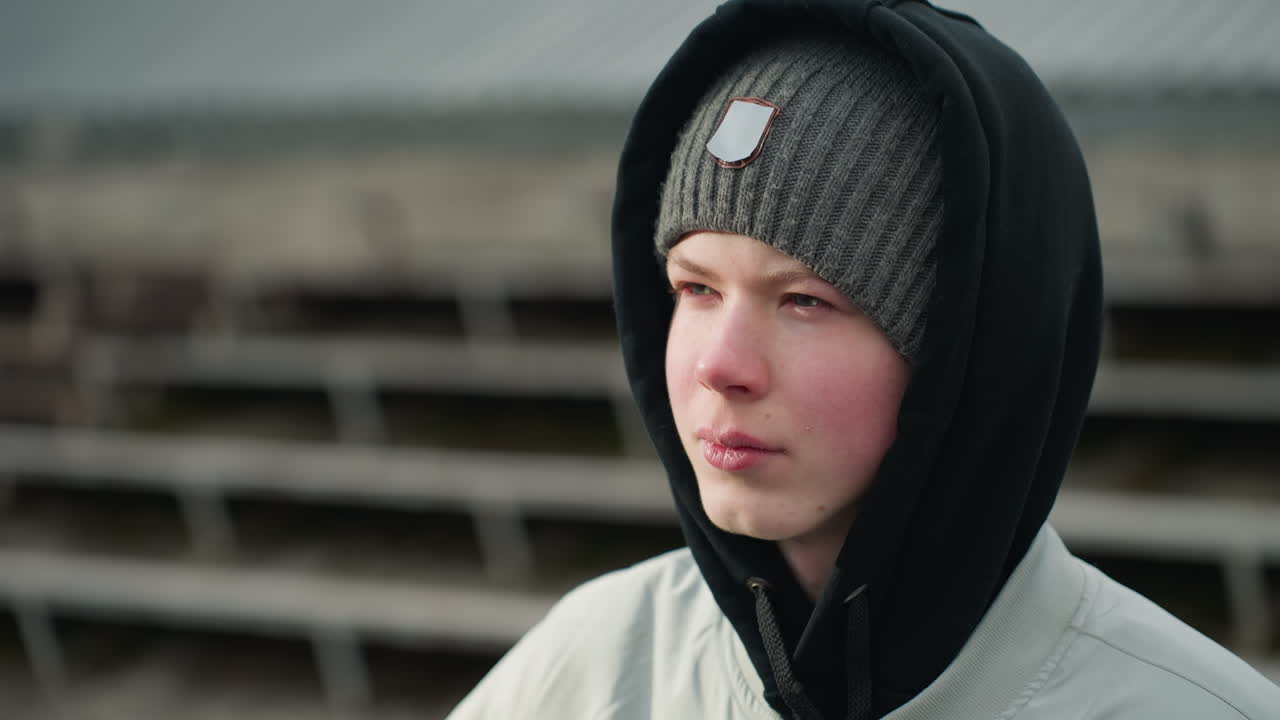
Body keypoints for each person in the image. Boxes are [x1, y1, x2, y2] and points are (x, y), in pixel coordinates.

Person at [448, 1, 1280, 718]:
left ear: (966, 353)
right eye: (695, 289)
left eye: (805, 301)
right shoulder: (592, 667)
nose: (720, 366)